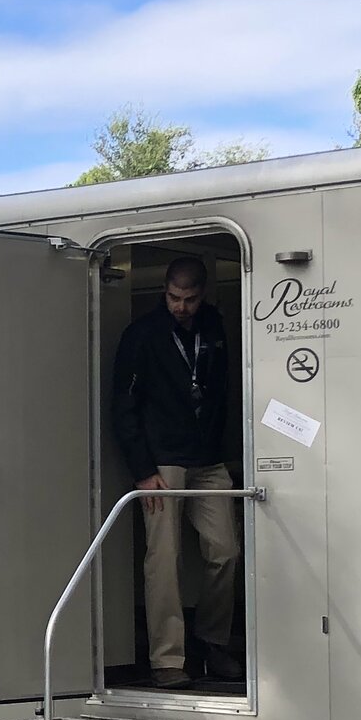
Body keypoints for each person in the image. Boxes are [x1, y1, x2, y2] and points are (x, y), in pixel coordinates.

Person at [109, 252, 241, 687]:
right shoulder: (141, 335)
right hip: (162, 460)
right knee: (163, 558)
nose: (180, 305)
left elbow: (224, 392)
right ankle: (167, 659)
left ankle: (213, 642)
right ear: (164, 291)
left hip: (209, 458)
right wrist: (142, 470)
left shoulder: (215, 327)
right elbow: (123, 408)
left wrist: (229, 454)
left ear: (203, 294)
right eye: (172, 297)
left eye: (188, 298)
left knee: (225, 551)